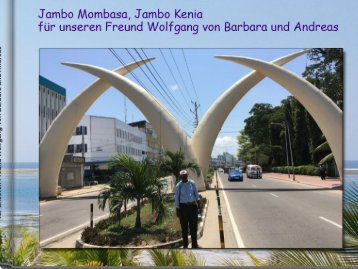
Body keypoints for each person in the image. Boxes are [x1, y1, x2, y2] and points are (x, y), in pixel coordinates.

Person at [175, 169, 200, 248]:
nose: (184, 177)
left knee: (193, 227)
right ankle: (185, 245)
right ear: (180, 177)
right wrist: (177, 209)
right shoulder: (179, 185)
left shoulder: (192, 183)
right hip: (183, 208)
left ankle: (194, 245)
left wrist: (198, 204)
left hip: (192, 207)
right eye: (182, 176)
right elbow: (177, 198)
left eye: (185, 175)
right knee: (184, 228)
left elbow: (196, 194)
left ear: (187, 175)